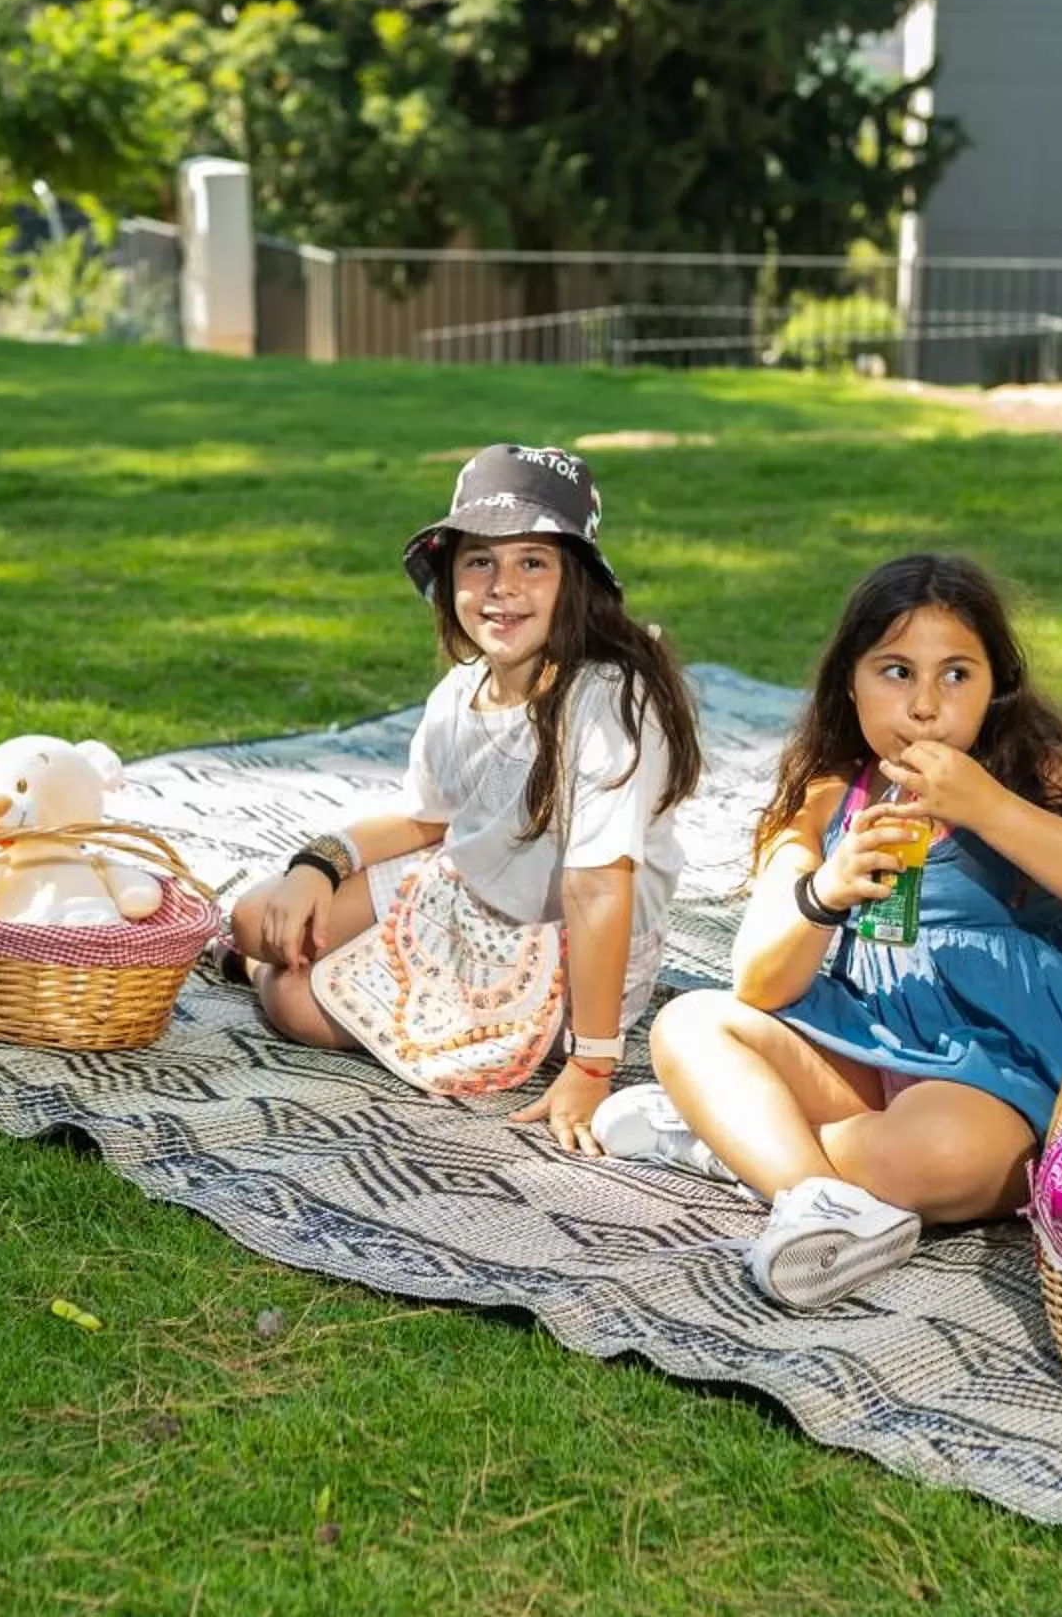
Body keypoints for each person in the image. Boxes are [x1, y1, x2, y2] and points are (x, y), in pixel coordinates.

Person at [596, 552, 1062, 1309]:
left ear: (997, 684)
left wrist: (988, 807)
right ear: (851, 680)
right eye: (896, 671)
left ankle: (736, 1145)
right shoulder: (830, 791)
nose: (926, 705)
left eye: (957, 674)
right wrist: (825, 890)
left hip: (1015, 1070)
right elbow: (760, 982)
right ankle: (814, 1191)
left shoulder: (1040, 771)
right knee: (689, 1024)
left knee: (937, 1156)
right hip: (880, 1041)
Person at [218, 444, 702, 1152]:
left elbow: (599, 888)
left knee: (292, 999)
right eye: (480, 561)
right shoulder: (463, 690)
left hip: (564, 947)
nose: (503, 586)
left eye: (532, 561)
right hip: (464, 896)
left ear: (578, 581)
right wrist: (315, 865)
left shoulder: (608, 700)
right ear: (450, 580)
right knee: (256, 916)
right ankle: (289, 956)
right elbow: (425, 819)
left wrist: (594, 1061)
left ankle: (300, 975)